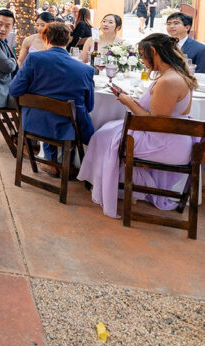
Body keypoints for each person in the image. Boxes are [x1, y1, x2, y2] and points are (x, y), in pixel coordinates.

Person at [78, 34, 198, 218]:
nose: (142, 60)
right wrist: (132, 99)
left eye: (143, 55)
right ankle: (106, 183)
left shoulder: (168, 81)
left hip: (163, 143)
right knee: (107, 129)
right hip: (166, 136)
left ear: (154, 53)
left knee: (103, 136)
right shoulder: (171, 75)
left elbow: (154, 122)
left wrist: (128, 102)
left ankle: (103, 184)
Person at [10, 21, 95, 176]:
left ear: (46, 39)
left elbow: (14, 89)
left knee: (49, 113)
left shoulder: (34, 59)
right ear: (68, 40)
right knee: (77, 116)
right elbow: (90, 106)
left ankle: (53, 164)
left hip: (34, 123)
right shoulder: (86, 70)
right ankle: (69, 165)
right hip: (68, 127)